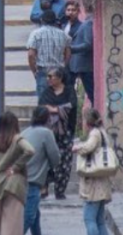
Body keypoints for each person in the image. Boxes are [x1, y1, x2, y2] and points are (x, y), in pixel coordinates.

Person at [0, 111, 34, 235]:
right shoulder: (16, 139)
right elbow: (30, 150)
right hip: (12, 186)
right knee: (11, 228)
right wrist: (16, 167)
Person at [20, 107, 61, 235]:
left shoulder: (24, 132)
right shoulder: (46, 133)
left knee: (35, 216)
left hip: (20, 179)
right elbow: (55, 158)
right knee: (29, 216)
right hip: (33, 180)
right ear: (47, 119)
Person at [73, 109, 113, 235]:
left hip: (94, 185)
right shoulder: (102, 132)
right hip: (102, 181)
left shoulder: (95, 133)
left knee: (89, 219)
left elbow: (89, 147)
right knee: (99, 220)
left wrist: (77, 147)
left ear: (88, 122)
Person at [40, 68, 78, 200]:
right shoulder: (46, 93)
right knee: (45, 159)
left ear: (59, 78)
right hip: (49, 132)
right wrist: (59, 109)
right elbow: (42, 107)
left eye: (51, 76)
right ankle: (44, 188)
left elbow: (71, 106)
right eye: (47, 76)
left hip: (66, 132)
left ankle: (60, 190)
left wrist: (55, 109)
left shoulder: (69, 91)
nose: (48, 79)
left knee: (65, 161)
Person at [26, 9, 72, 99]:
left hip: (43, 71)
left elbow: (31, 54)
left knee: (44, 102)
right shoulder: (63, 35)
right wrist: (64, 65)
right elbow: (68, 53)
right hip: (58, 71)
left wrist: (34, 70)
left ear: (42, 20)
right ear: (55, 21)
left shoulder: (36, 34)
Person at [70, 6, 96, 104]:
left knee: (91, 92)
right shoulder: (87, 23)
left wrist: (71, 49)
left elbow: (88, 44)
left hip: (84, 65)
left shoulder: (88, 24)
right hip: (80, 64)